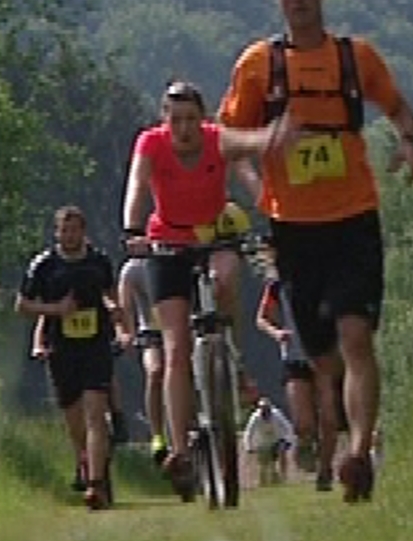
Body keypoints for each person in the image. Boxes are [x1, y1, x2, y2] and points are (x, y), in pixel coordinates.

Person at [219, 0, 413, 503]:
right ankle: (341, 444)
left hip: (353, 217)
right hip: (293, 228)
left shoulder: (356, 59)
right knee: (322, 359)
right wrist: (259, 156)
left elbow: (399, 108)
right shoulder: (259, 66)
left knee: (357, 336)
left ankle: (359, 455)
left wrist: (409, 142)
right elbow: (224, 138)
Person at [121, 79, 290, 499]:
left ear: (204, 118)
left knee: (223, 276)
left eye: (191, 119)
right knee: (176, 350)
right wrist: (133, 227)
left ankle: (225, 344)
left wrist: (273, 210)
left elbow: (248, 169)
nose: (184, 128)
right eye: (175, 120)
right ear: (164, 120)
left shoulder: (218, 140)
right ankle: (180, 449)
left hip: (214, 236)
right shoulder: (151, 144)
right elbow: (138, 186)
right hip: (166, 244)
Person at [16, 206, 133, 510]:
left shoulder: (99, 261)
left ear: (84, 232)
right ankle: (85, 459)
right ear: (57, 233)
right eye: (64, 231)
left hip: (96, 345)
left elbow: (110, 293)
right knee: (74, 419)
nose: (69, 236)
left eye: (75, 230)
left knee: (95, 412)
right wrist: (56, 310)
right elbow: (23, 306)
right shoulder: (43, 266)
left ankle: (95, 485)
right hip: (61, 349)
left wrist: (115, 315)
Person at [255, 252, 333, 488]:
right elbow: (261, 318)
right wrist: (277, 333)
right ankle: (305, 443)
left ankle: (326, 470)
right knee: (304, 421)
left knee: (329, 417)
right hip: (294, 356)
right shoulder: (277, 286)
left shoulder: (327, 280)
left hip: (324, 354)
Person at [117, 254, 169, 466]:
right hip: (151, 333)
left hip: (184, 329)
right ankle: (157, 435)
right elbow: (124, 306)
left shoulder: (180, 259)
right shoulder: (133, 269)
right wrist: (125, 333)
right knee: (155, 372)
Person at [241, 384, 297, 486]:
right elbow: (249, 432)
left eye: (267, 408)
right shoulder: (255, 417)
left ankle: (283, 477)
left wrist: (289, 442)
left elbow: (288, 428)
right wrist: (248, 447)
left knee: (281, 453)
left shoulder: (277, 414)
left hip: (278, 439)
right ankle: (264, 480)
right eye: (263, 409)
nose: (265, 411)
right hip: (264, 443)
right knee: (264, 462)